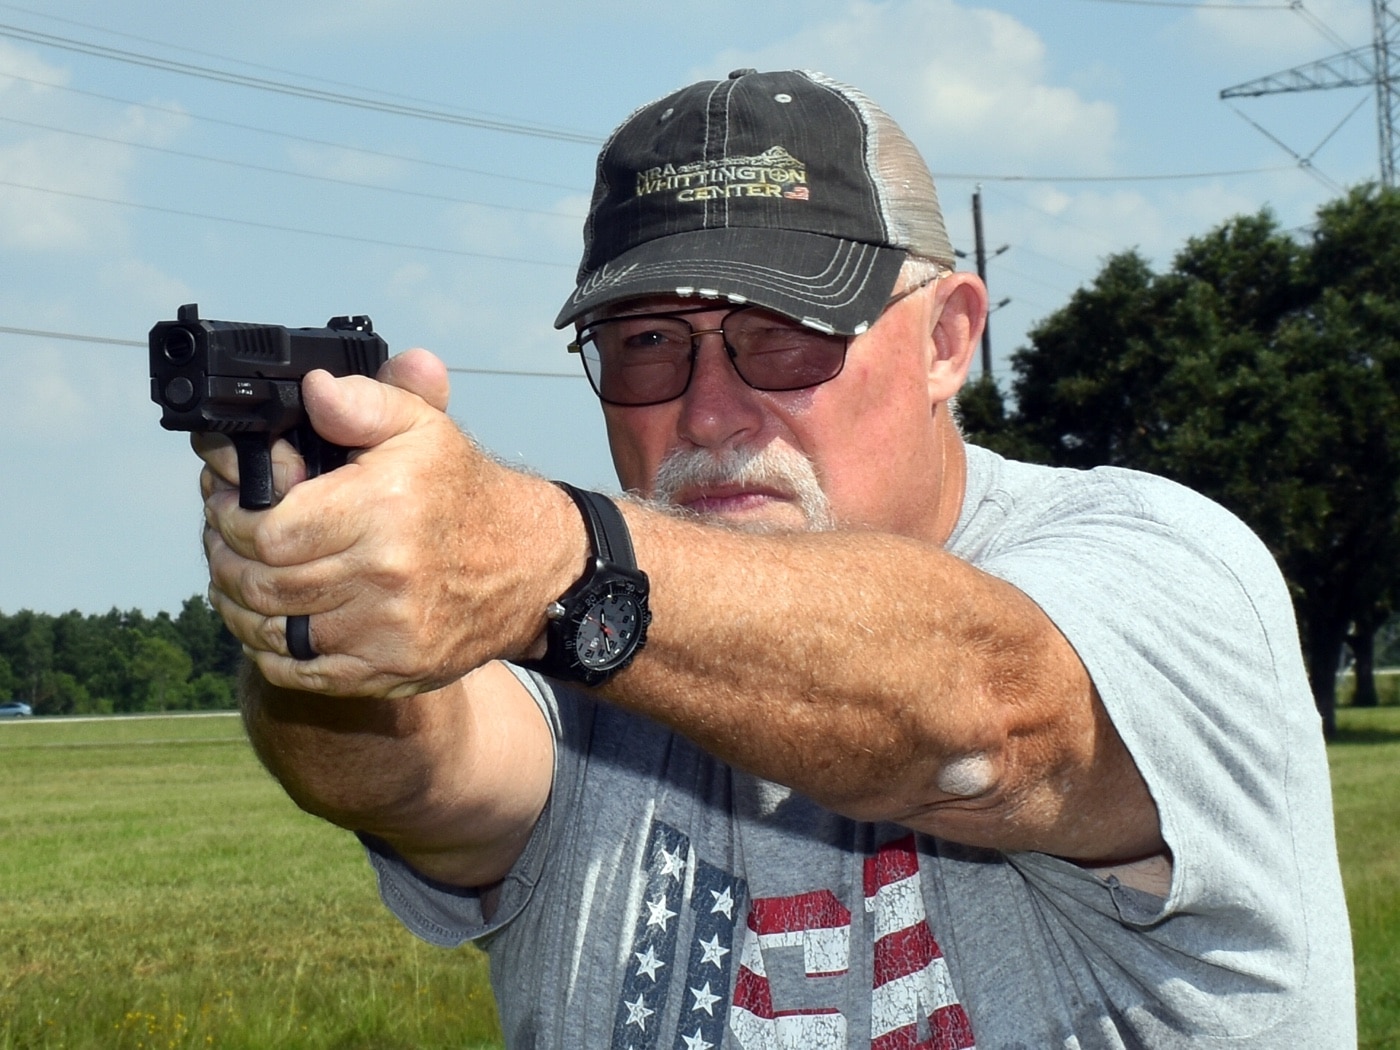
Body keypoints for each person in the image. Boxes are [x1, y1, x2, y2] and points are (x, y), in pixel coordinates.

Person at [196, 69, 1355, 1048]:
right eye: (648, 345)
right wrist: (319, 607)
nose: (710, 411)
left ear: (948, 337)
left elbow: (992, 718)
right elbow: (420, 777)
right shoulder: (589, 629)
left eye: (782, 335)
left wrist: (554, 558)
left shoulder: (1166, 563)